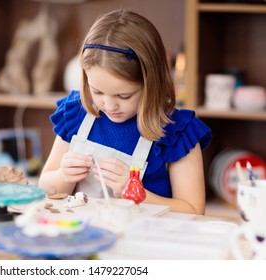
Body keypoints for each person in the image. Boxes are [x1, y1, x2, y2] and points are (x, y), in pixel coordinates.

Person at [38, 9, 212, 215]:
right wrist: (63, 176)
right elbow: (45, 188)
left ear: (151, 84)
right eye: (98, 92)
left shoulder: (177, 131)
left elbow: (193, 211)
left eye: (124, 96)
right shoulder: (77, 113)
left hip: (144, 241)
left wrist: (136, 192)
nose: (110, 105)